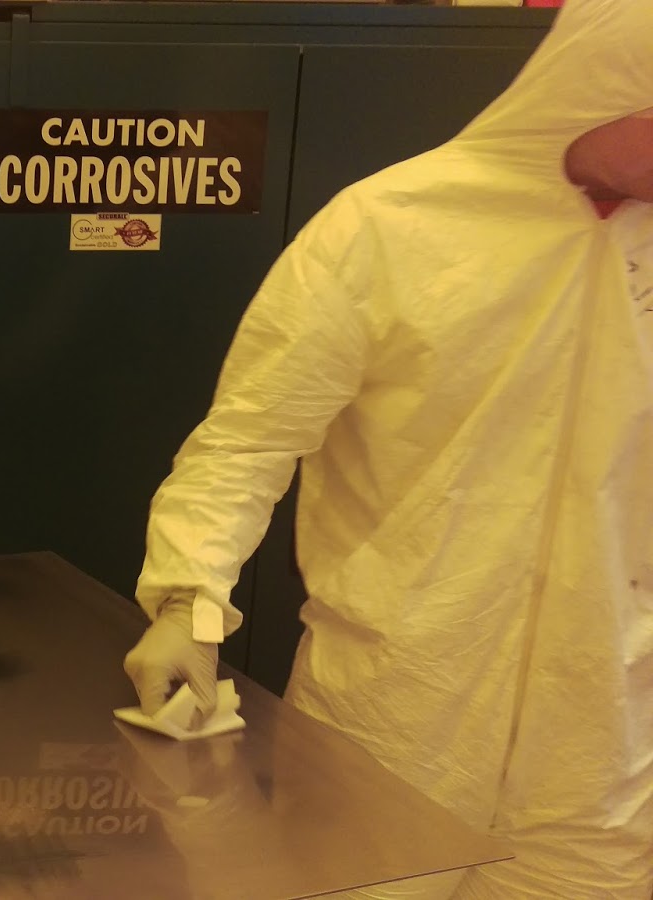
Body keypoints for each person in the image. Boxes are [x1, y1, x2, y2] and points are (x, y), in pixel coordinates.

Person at [122, 1, 653, 897]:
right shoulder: (391, 228)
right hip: (394, 728)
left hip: (604, 759)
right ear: (603, 87)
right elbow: (251, 439)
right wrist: (186, 599)